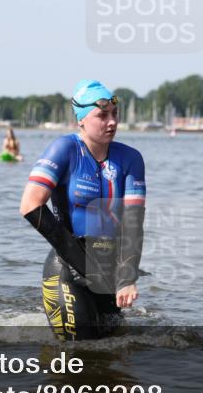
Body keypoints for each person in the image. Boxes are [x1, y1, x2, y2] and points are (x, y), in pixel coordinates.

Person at [19, 80, 146, 341]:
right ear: (81, 120)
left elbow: (133, 222)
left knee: (113, 349)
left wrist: (127, 276)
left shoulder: (131, 159)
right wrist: (87, 267)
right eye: (102, 115)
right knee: (81, 353)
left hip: (108, 272)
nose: (112, 122)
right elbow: (30, 205)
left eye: (115, 114)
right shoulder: (64, 149)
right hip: (68, 267)